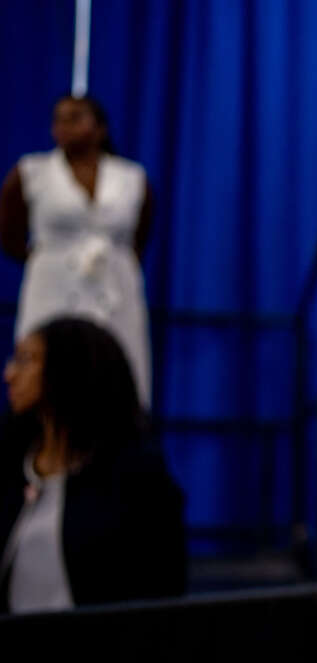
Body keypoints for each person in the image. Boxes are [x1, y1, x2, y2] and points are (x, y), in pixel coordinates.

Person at [0, 317, 185, 613]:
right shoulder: (10, 463)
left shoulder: (135, 480)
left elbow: (160, 594)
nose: (9, 374)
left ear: (69, 370)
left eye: (26, 360)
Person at [0, 95, 153, 407]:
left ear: (99, 129)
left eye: (75, 118)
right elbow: (9, 233)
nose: (63, 127)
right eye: (58, 119)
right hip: (52, 286)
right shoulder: (32, 171)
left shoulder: (132, 178)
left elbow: (141, 234)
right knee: (47, 366)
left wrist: (115, 264)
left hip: (114, 291)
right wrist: (49, 261)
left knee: (115, 371)